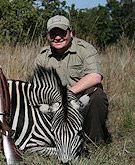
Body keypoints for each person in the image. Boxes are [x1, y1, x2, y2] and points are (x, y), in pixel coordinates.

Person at [34, 15, 112, 144]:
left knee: (97, 95)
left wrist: (67, 95)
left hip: (79, 100)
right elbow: (37, 86)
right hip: (54, 103)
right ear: (47, 36)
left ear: (71, 33)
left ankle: (93, 142)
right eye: (53, 34)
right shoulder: (42, 57)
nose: (58, 38)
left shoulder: (85, 49)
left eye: (62, 33)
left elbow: (95, 76)